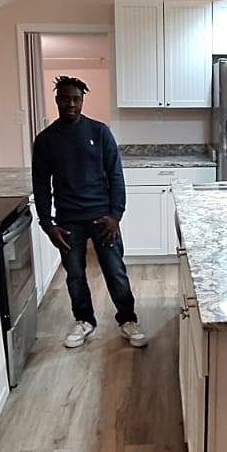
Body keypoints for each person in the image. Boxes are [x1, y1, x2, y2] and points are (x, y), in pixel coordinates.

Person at [32, 76, 147, 349]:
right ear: (57, 100)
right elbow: (41, 185)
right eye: (65, 98)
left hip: (102, 218)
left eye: (76, 99)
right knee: (74, 275)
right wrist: (48, 224)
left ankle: (127, 320)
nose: (71, 104)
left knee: (115, 271)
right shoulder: (46, 140)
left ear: (82, 101)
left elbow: (116, 176)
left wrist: (115, 215)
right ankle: (84, 320)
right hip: (68, 220)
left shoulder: (100, 132)